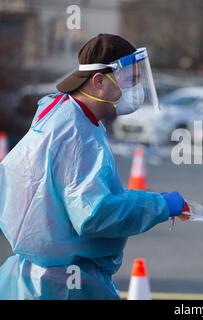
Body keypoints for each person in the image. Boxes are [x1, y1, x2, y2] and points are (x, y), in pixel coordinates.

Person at [0, 34, 186, 299]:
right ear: (98, 82)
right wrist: (159, 205)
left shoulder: (64, 111)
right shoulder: (76, 132)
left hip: (43, 277)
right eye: (130, 81)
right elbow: (94, 214)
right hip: (65, 283)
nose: (135, 90)